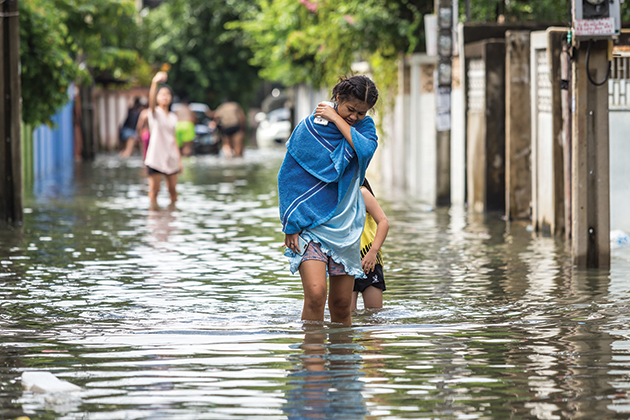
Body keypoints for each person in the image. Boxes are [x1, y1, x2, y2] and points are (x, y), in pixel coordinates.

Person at [278, 75, 379, 326]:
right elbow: (288, 177)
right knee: (315, 295)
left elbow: (364, 150)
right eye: (350, 109)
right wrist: (291, 223)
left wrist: (336, 117)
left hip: (346, 227)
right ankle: (311, 360)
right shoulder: (310, 127)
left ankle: (342, 363)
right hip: (310, 223)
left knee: (342, 305)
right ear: (338, 98)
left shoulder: (365, 129)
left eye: (361, 112)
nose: (355, 117)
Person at [144, 71, 182, 210]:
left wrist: (179, 160)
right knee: (154, 191)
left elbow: (174, 139)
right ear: (157, 97)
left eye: (167, 94)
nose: (165, 97)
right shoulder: (154, 113)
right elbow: (151, 103)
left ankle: (172, 216)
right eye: (162, 94)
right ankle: (154, 218)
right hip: (155, 157)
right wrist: (155, 82)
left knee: (173, 191)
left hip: (171, 156)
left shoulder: (173, 116)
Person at [351, 178, 389, 310]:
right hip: (345, 261)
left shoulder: (362, 193)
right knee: (345, 314)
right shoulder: (335, 195)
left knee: (374, 315)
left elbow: (383, 222)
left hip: (369, 259)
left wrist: (373, 252)